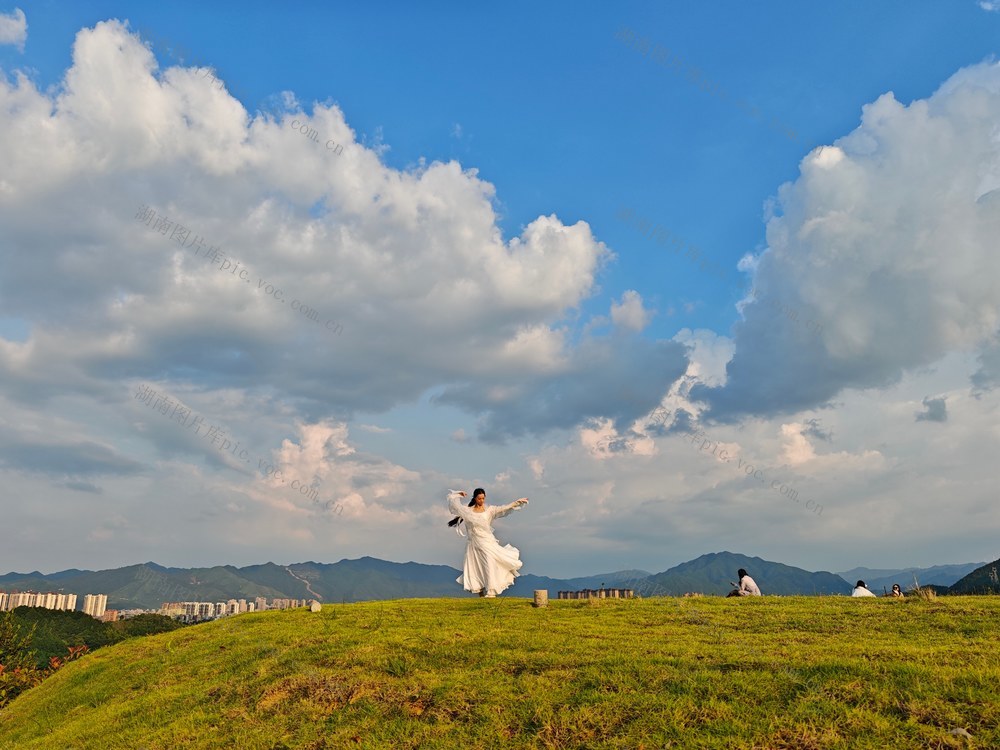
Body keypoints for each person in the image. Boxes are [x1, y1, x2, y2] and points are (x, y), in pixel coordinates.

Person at [446, 488, 529, 598]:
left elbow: (503, 508)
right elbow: (454, 506)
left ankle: (491, 591)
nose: (481, 500)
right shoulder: (468, 511)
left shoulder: (489, 510)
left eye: (483, 498)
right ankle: (480, 592)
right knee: (475, 566)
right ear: (475, 498)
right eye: (479, 498)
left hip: (487, 542)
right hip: (473, 544)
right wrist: (457, 494)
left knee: (489, 563)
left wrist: (517, 502)